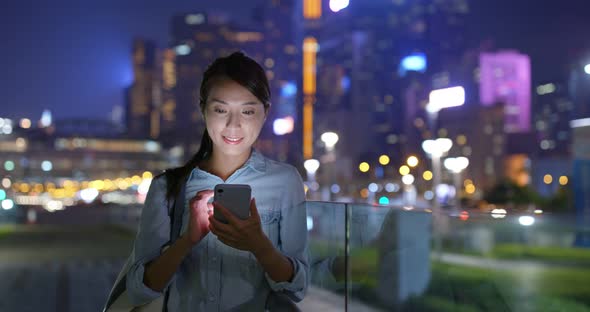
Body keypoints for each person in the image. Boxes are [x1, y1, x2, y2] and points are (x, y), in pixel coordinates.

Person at [125, 52, 309, 311]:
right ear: (203, 109)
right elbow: (138, 291)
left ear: (265, 113)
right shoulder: (168, 187)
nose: (233, 124)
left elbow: (297, 288)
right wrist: (187, 240)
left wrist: (258, 244)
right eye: (221, 109)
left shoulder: (286, 181)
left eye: (247, 111)